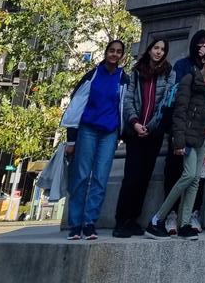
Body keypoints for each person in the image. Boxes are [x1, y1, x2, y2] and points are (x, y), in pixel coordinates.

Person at [146, 46, 205, 239]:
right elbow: (180, 111)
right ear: (203, 58)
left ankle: (185, 223)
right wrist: (178, 140)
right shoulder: (189, 79)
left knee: (195, 180)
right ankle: (157, 219)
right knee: (189, 176)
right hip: (189, 137)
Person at [62, 39, 129, 240]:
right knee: (81, 176)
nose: (114, 54)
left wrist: (122, 132)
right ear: (106, 52)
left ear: (122, 56)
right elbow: (74, 107)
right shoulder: (92, 75)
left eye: (118, 52)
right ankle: (75, 223)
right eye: (112, 51)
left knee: (101, 177)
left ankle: (90, 222)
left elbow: (125, 106)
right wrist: (71, 140)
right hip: (88, 129)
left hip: (109, 133)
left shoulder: (123, 78)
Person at [113, 38, 175, 237]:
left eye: (162, 49)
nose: (158, 52)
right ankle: (121, 220)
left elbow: (167, 101)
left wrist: (151, 125)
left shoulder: (169, 73)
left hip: (154, 132)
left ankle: (133, 219)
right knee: (131, 177)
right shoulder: (136, 72)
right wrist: (134, 122)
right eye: (156, 48)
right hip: (135, 130)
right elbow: (128, 99)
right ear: (149, 50)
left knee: (144, 178)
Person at [163, 29, 205, 234]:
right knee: (175, 171)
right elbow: (176, 100)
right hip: (182, 130)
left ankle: (192, 214)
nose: (203, 47)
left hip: (204, 133)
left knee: (199, 175)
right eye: (200, 43)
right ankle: (169, 214)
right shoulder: (182, 66)